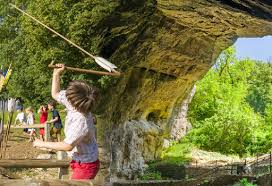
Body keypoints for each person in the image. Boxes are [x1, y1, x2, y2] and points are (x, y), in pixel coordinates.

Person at [33, 64, 100, 180]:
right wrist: (56, 74)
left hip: (86, 165)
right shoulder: (74, 101)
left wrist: (42, 143)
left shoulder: (81, 120)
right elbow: (55, 93)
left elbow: (67, 145)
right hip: (78, 160)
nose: (65, 97)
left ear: (75, 102)